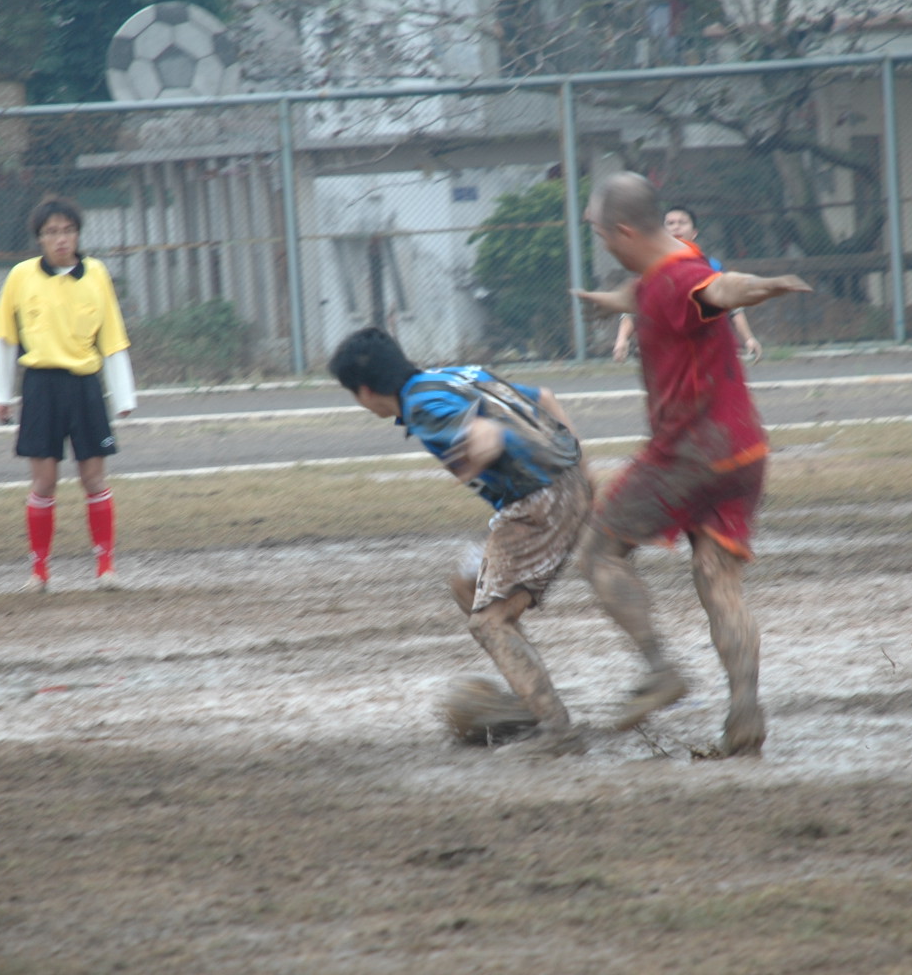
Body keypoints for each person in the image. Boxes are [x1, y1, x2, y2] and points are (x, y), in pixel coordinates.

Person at [573, 171, 811, 756]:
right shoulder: (673, 264)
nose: (601, 244)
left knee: (599, 554)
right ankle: (745, 712)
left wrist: (761, 287)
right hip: (743, 451)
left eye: (600, 234)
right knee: (717, 580)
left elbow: (718, 291)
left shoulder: (682, 278)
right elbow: (653, 293)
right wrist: (611, 303)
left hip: (689, 453)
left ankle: (660, 670)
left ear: (625, 232)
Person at [328, 327, 592, 756]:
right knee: (467, 584)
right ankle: (531, 697)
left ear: (365, 391)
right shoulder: (451, 375)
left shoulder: (422, 407)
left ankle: (555, 729)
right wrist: (581, 470)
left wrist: (476, 453)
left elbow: (486, 434)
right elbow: (543, 397)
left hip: (539, 503)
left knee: (489, 621)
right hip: (558, 487)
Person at [0, 195, 137, 593]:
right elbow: (6, 338)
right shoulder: (21, 277)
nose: (61, 239)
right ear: (39, 238)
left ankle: (106, 568)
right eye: (51, 232)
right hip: (40, 387)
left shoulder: (96, 274)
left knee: (94, 478)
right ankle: (39, 573)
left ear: (78, 234)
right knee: (44, 482)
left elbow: (112, 337)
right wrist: (0, 395)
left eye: (68, 230)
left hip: (84, 386)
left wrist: (123, 397)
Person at [612, 205, 763, 364]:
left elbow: (733, 308)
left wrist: (749, 338)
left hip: (705, 347)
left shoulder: (711, 267)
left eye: (682, 222)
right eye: (670, 223)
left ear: (694, 232)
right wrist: (622, 339)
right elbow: (633, 308)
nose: (676, 227)